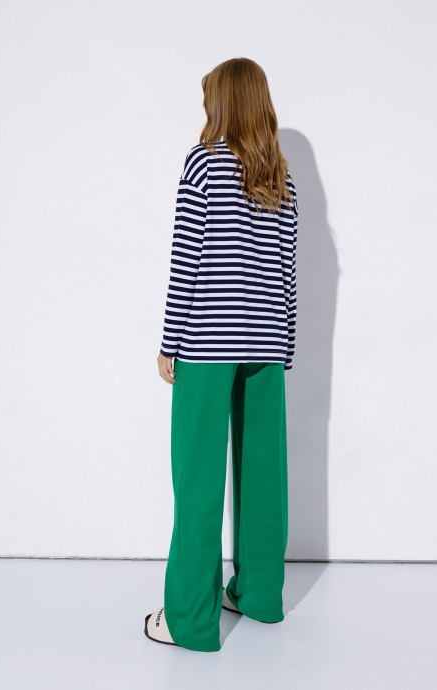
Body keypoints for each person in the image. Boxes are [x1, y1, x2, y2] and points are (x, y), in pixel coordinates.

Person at [144, 57, 298, 653]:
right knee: (264, 476)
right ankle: (259, 595)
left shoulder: (203, 162)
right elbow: (287, 271)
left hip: (208, 341)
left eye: (210, 98)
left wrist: (169, 342)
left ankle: (190, 619)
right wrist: (283, 346)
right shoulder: (280, 174)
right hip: (265, 344)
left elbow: (187, 259)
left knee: (198, 477)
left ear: (224, 103)